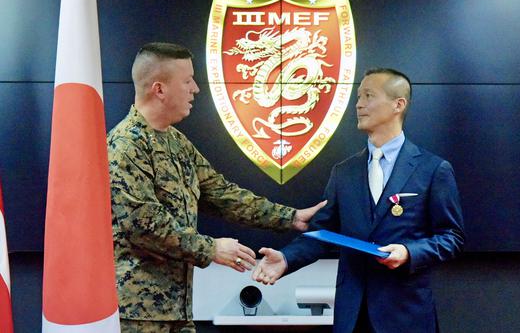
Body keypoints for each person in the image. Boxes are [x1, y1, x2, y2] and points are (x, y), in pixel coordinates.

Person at [107, 42, 326, 333]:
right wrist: (211, 248)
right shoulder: (125, 145)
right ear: (159, 89)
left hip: (178, 310)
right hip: (138, 314)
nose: (195, 89)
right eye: (187, 81)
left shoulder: (176, 142)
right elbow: (144, 226)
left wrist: (290, 217)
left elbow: (221, 193)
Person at [252, 68, 465, 333]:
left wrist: (410, 252)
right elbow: (323, 233)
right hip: (351, 316)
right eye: (358, 96)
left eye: (368, 95)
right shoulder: (344, 171)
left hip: (405, 314)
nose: (358, 104)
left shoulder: (433, 169)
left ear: (398, 104)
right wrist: (286, 259)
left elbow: (451, 237)